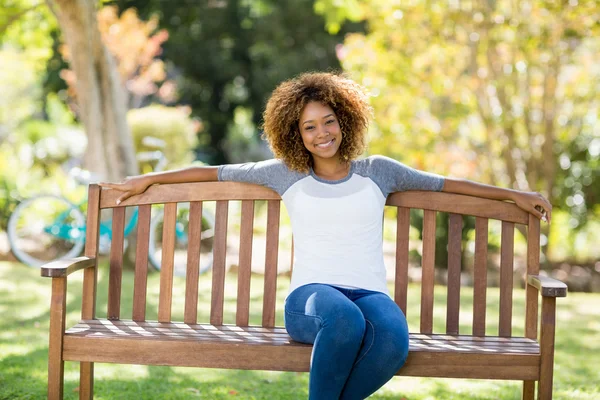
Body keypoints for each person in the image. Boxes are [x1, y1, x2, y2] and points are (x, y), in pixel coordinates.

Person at [99, 72, 551, 400]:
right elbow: (213, 170)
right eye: (309, 126)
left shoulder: (380, 171)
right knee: (344, 320)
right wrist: (147, 181)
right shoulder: (284, 173)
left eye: (328, 121)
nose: (321, 134)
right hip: (311, 301)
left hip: (369, 293)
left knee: (393, 336)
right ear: (294, 133)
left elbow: (447, 184)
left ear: (345, 121)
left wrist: (515, 195)